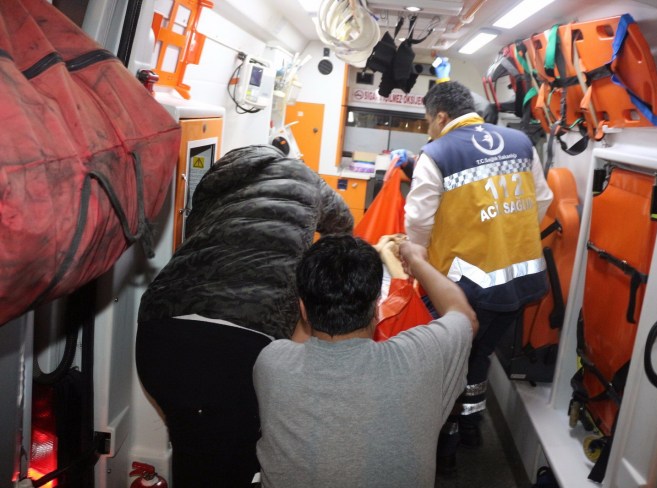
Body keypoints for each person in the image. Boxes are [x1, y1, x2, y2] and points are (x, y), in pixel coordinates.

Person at [135, 145, 354, 488]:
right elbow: (342, 225)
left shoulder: (219, 176)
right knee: (233, 464)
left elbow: (197, 231)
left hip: (160, 332)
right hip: (239, 344)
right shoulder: (306, 178)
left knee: (193, 452)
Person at [404, 80, 553, 474]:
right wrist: (503, 234)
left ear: (440, 117)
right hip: (518, 282)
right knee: (480, 353)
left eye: (428, 122)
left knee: (449, 363)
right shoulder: (521, 142)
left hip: (463, 285)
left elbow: (418, 222)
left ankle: (446, 445)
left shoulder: (437, 154)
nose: (429, 130)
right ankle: (471, 427)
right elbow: (542, 200)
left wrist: (417, 259)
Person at [253, 235, 479, 488]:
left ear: (303, 309)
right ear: (376, 307)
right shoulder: (422, 359)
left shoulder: (271, 362)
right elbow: (464, 316)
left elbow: (300, 342)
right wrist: (415, 260)